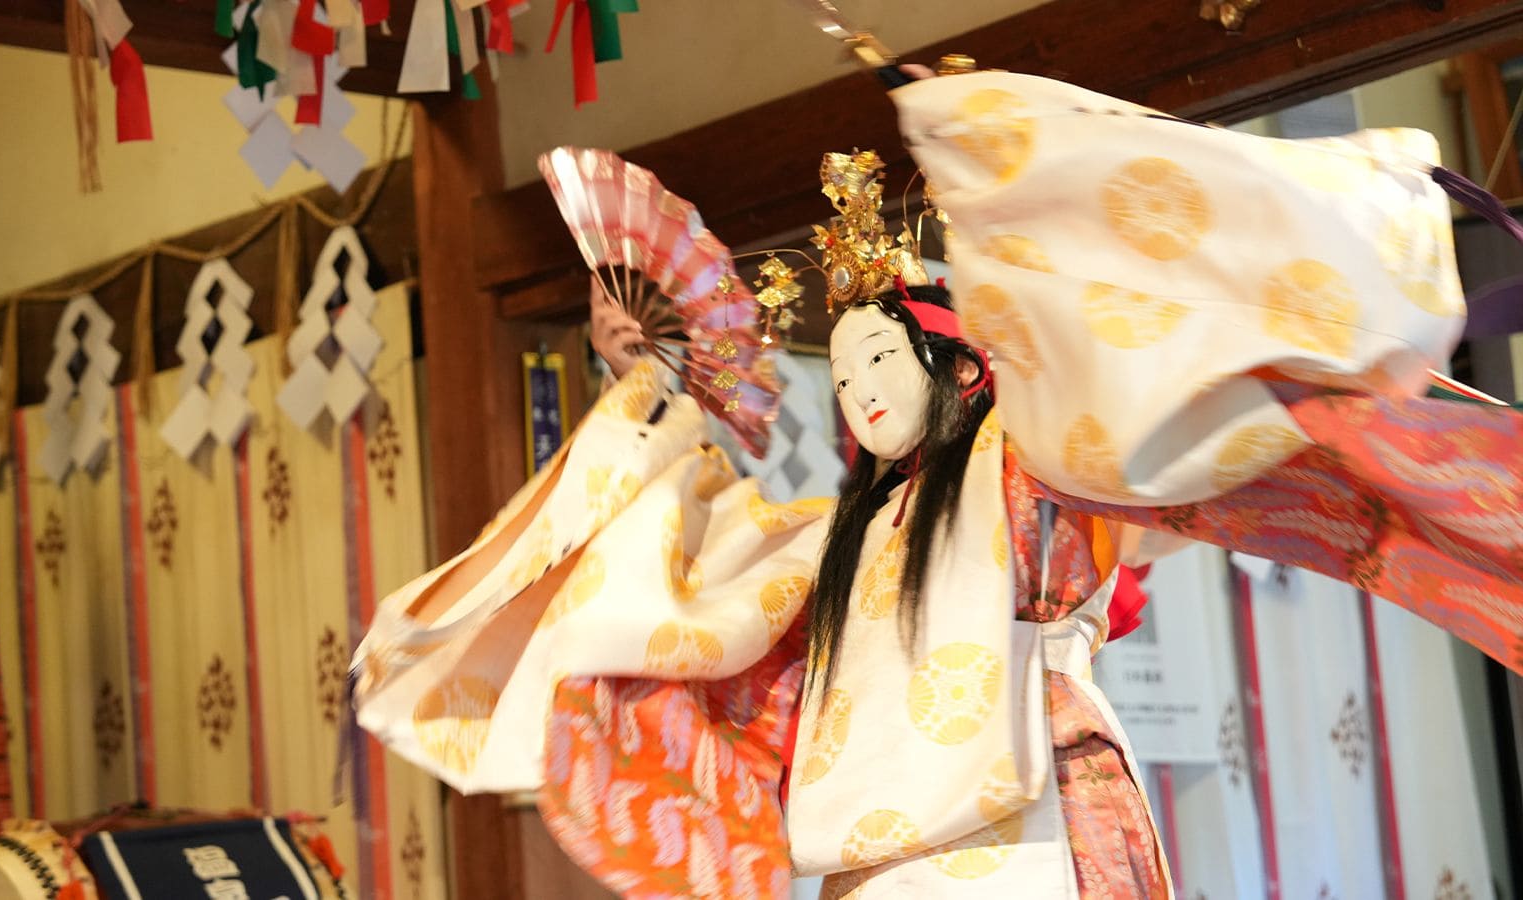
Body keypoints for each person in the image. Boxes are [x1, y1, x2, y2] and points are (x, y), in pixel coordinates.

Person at [354, 64, 1523, 899]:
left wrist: (1005, 199)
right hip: (869, 861)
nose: (859, 388)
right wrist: (653, 391)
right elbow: (671, 557)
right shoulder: (837, 537)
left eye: (882, 358)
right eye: (844, 369)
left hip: (1022, 825)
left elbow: (1114, 390)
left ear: (958, 365)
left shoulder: (1027, 467)